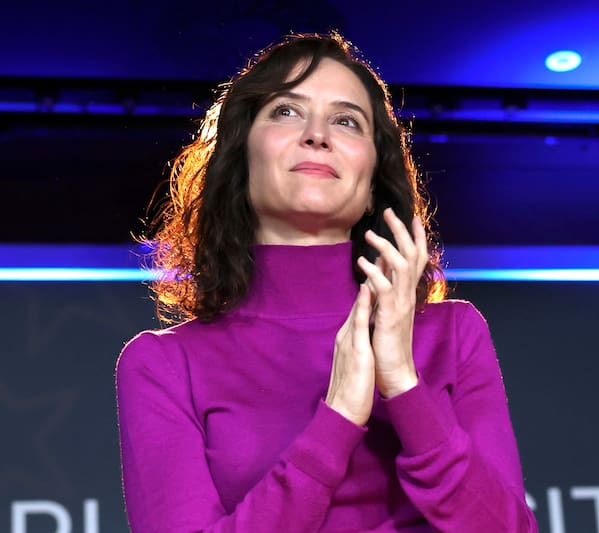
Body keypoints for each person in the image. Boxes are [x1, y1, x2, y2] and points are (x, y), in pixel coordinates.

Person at [116, 32, 538, 532]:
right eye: (286, 112)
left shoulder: (455, 333)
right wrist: (336, 420)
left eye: (346, 121)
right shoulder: (163, 364)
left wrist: (402, 381)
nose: (318, 135)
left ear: (372, 181)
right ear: (240, 156)